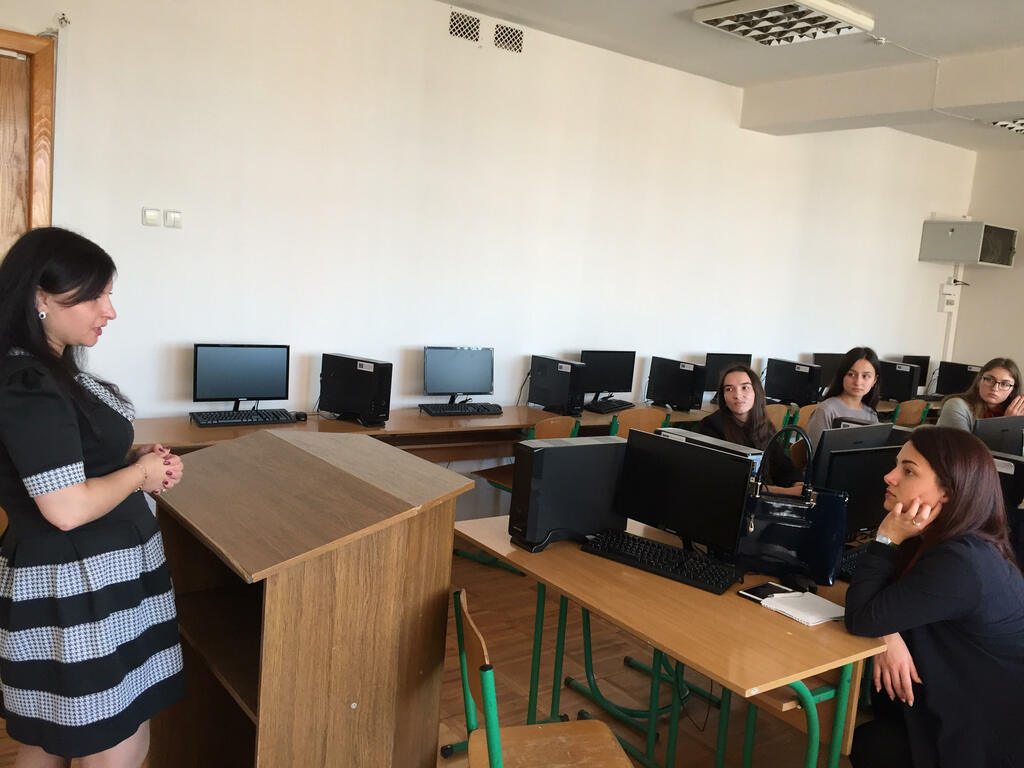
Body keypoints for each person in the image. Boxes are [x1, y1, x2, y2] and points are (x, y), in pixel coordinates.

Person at [0, 228, 185, 767]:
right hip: (78, 585)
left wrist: (127, 462)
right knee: (113, 739)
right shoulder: (29, 383)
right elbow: (66, 507)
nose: (110, 311)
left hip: (97, 578)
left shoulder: (47, 370)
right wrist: (141, 474)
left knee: (53, 733)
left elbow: (63, 463)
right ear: (40, 296)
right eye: (94, 296)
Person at [845, 426, 1024, 768]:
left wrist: (885, 540)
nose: (890, 476)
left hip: (988, 736)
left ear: (947, 492)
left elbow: (861, 617)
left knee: (869, 745)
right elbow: (880, 608)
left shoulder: (961, 562)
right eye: (897, 465)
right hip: (962, 701)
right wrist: (888, 634)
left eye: (908, 471)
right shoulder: (949, 539)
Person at [698, 364, 802, 491]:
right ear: (723, 396)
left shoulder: (763, 425)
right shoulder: (710, 427)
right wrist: (784, 492)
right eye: (729, 389)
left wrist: (797, 484)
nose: (737, 395)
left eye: (745, 387)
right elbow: (727, 482)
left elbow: (781, 465)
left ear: (756, 392)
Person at [806, 346, 880, 450]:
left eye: (865, 376)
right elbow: (816, 455)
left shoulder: (871, 415)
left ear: (874, 380)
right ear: (842, 376)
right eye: (851, 374)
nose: (858, 382)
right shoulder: (826, 410)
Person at [936, 357, 1024, 432]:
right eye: (989, 379)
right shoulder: (956, 405)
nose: (995, 388)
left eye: (1005, 384)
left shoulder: (1016, 413)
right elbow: (964, 446)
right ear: (979, 381)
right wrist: (1006, 423)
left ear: (1012, 391)